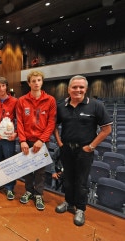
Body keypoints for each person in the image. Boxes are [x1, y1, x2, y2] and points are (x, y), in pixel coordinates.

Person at [54, 75, 112, 226]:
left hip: (84, 151)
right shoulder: (61, 106)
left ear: (86, 89)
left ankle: (80, 209)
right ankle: (68, 202)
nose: (77, 90)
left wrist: (91, 147)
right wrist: (60, 142)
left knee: (81, 181)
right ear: (68, 89)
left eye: (81, 87)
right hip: (66, 149)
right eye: (74, 87)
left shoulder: (96, 105)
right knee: (67, 178)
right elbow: (53, 126)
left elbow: (107, 129)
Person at [16, 70, 57, 211]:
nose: (36, 83)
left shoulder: (50, 100)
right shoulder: (22, 101)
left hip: (42, 142)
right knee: (27, 168)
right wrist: (22, 140)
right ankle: (28, 191)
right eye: (33, 81)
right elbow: (19, 122)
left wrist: (42, 140)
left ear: (42, 82)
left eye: (38, 80)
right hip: (26, 141)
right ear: (29, 83)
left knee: (40, 170)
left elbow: (51, 123)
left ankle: (38, 194)